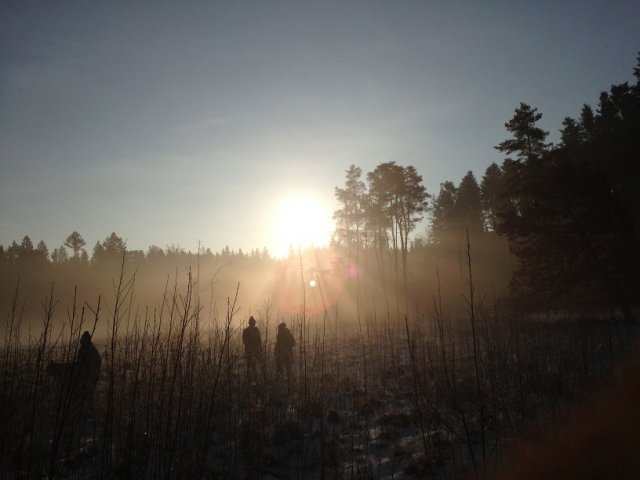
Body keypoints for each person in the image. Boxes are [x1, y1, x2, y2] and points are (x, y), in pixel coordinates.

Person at [75, 331, 101, 401]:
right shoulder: (83, 349)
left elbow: (96, 364)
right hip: (84, 376)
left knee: (87, 396)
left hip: (89, 377)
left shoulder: (90, 350)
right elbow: (79, 363)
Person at [242, 316, 262, 381]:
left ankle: (256, 380)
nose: (253, 324)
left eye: (253, 323)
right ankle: (249, 380)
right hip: (249, 352)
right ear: (250, 323)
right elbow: (245, 341)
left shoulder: (256, 330)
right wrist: (251, 348)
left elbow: (259, 341)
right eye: (252, 323)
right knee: (249, 366)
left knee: (255, 367)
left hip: (256, 352)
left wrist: (260, 350)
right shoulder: (246, 331)